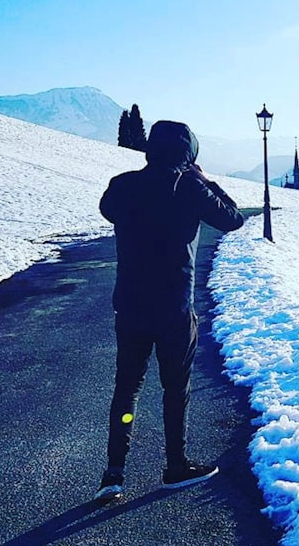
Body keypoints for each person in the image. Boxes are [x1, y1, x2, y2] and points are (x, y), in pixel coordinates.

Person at [95, 120, 245, 502]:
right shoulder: (189, 186)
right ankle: (175, 465)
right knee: (174, 388)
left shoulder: (122, 185)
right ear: (189, 152)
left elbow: (107, 209)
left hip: (129, 306)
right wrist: (204, 179)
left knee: (127, 389)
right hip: (174, 308)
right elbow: (233, 219)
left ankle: (113, 474)